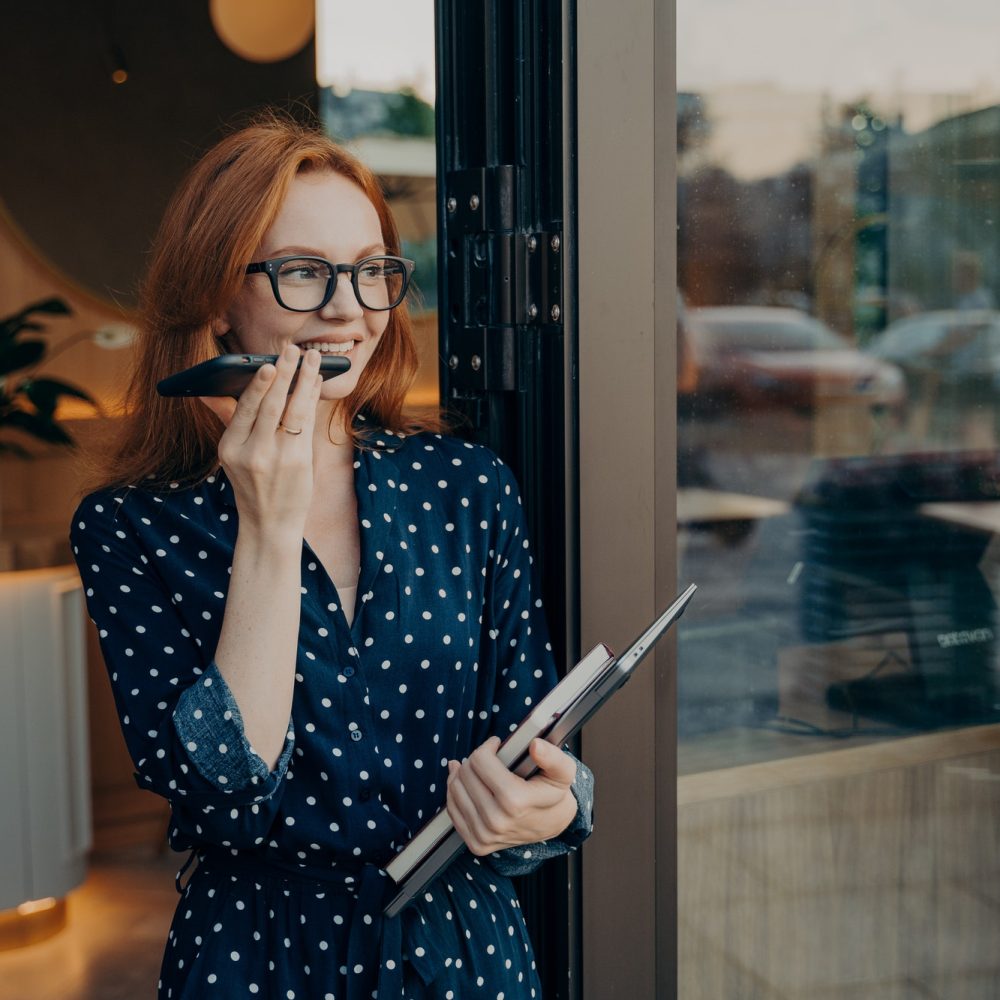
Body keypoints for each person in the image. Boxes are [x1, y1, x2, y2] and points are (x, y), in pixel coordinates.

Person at [70, 112, 593, 1000]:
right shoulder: (130, 527)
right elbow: (227, 794)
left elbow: (538, 744)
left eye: (370, 272)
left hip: (465, 951)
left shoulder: (466, 486)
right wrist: (269, 530)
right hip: (260, 958)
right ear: (214, 298)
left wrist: (556, 806)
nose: (349, 309)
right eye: (306, 272)